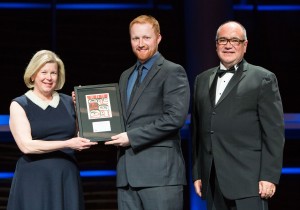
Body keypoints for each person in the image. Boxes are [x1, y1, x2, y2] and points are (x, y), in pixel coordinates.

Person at [191, 20, 285, 210]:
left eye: (235, 40)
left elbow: (273, 133)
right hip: (213, 180)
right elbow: (197, 131)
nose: (228, 45)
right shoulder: (202, 79)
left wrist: (269, 176)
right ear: (216, 44)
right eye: (223, 40)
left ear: (245, 45)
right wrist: (198, 173)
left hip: (249, 181)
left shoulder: (262, 78)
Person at [104, 15, 190, 210]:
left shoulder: (172, 71)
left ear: (158, 38)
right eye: (135, 38)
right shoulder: (126, 75)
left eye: (146, 38)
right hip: (127, 177)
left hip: (160, 176)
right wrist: (85, 106)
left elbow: (174, 119)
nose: (140, 44)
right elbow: (121, 117)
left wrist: (131, 137)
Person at [7, 50, 97, 210]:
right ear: (33, 75)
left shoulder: (69, 102)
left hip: (66, 177)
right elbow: (26, 146)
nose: (49, 77)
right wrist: (67, 143)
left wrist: (83, 108)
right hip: (34, 179)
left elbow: (81, 136)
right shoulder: (20, 104)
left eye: (53, 73)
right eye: (44, 72)